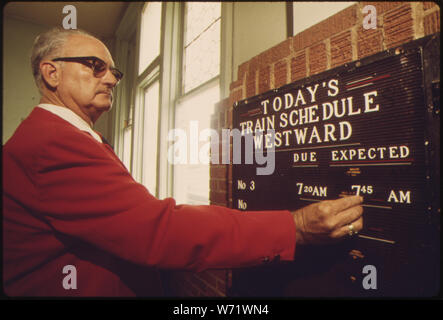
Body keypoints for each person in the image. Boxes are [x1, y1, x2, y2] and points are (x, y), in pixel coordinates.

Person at [2, 27, 364, 297]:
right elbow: (158, 230)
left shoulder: (64, 137)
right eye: (95, 66)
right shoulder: (52, 144)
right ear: (51, 74)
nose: (111, 78)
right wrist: (294, 227)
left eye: (114, 71)